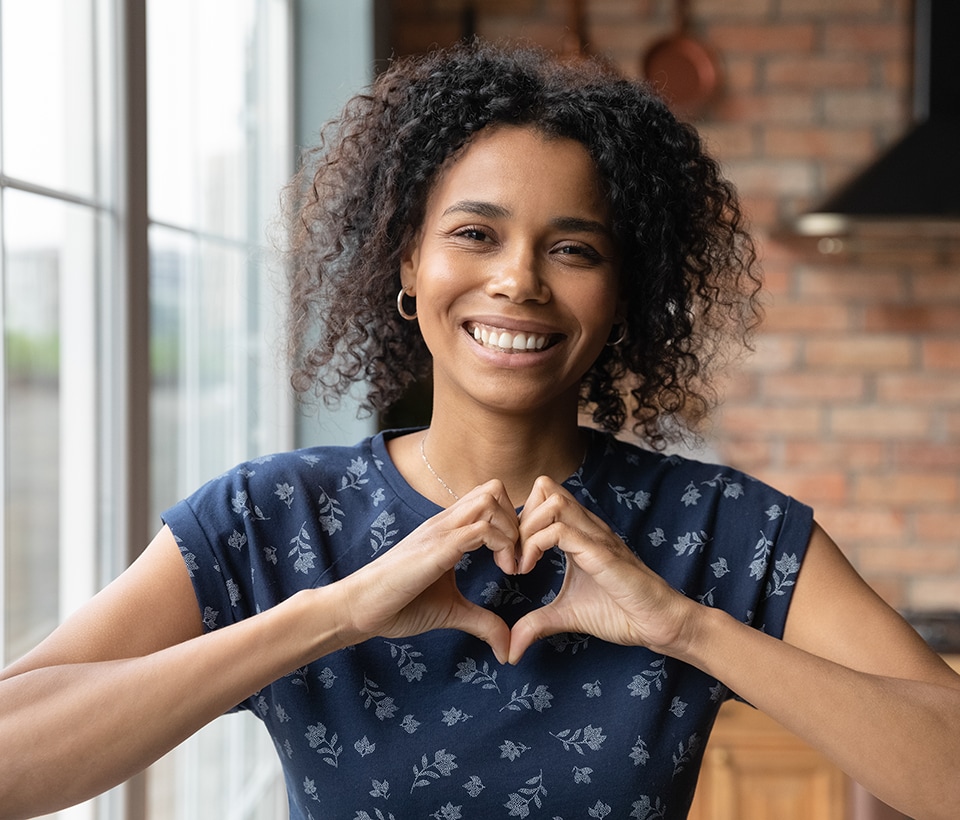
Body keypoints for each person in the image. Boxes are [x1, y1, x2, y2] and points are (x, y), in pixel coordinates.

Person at [1, 39, 958, 820]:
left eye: (573, 248)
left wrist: (686, 629)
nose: (519, 280)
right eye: (474, 233)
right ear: (406, 263)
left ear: (623, 296)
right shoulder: (272, 518)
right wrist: (329, 615)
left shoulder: (718, 530)